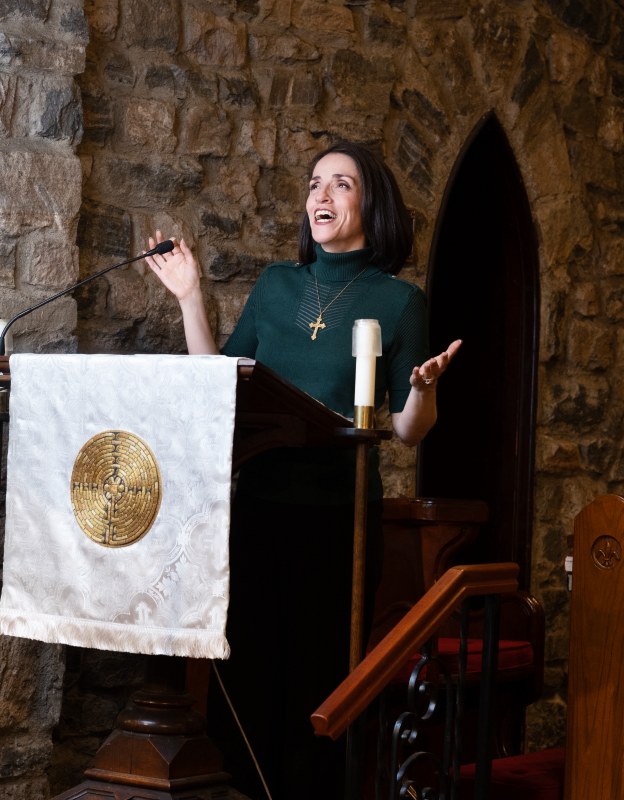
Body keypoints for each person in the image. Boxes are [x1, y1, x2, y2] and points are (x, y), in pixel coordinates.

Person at [145, 140, 461, 800]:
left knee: (320, 679)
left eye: (341, 183)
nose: (321, 194)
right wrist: (190, 297)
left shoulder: (399, 301)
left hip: (339, 516)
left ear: (372, 204)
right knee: (251, 674)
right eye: (315, 183)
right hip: (259, 505)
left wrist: (425, 389)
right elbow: (220, 385)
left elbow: (406, 430)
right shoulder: (276, 285)